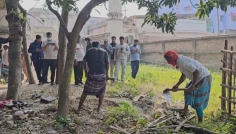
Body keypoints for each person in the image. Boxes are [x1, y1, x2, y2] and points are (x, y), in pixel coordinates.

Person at [163, 50, 212, 123]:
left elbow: (196, 72)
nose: (169, 63)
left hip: (204, 78)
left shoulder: (182, 62)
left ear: (172, 59)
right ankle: (185, 109)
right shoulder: (179, 61)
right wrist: (177, 85)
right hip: (197, 78)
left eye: (169, 60)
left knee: (197, 102)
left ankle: (200, 121)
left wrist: (193, 85)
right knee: (187, 90)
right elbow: (184, 74)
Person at [75, 41, 108, 114]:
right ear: (99, 45)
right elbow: (107, 63)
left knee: (85, 91)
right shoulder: (104, 51)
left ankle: (79, 109)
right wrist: (107, 74)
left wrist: (86, 71)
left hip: (92, 73)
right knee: (102, 91)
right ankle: (99, 108)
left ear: (92, 46)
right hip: (102, 73)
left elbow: (84, 60)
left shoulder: (90, 51)